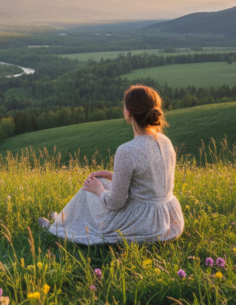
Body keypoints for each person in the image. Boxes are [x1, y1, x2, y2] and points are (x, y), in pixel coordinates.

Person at [38, 85, 184, 245]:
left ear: (128, 112)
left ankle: (57, 227)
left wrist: (99, 190)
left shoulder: (127, 150)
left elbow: (116, 203)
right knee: (103, 180)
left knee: (89, 189)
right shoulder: (165, 142)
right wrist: (112, 176)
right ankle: (63, 218)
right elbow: (151, 184)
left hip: (144, 225)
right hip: (170, 221)